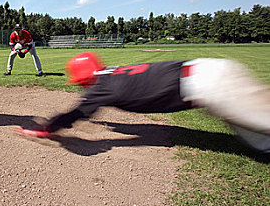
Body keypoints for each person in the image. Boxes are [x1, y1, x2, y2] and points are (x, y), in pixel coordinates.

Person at [15, 52, 270, 153]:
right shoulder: (112, 73)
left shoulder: (102, 87)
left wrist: (45, 128)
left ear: (85, 78)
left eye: (80, 82)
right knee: (259, 137)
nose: (82, 87)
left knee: (263, 128)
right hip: (208, 70)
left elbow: (76, 113)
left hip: (211, 86)